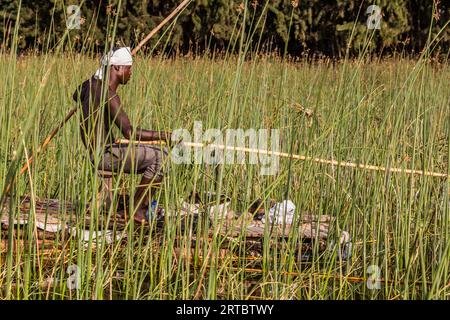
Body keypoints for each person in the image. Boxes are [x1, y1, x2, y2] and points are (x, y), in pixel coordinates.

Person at [72, 46, 171, 224]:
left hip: (97, 153)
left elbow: (75, 94)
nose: (131, 73)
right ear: (117, 68)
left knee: (152, 154)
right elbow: (129, 132)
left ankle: (127, 204)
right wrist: (164, 135)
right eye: (129, 68)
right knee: (161, 157)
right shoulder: (109, 95)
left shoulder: (90, 85)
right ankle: (137, 209)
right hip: (105, 155)